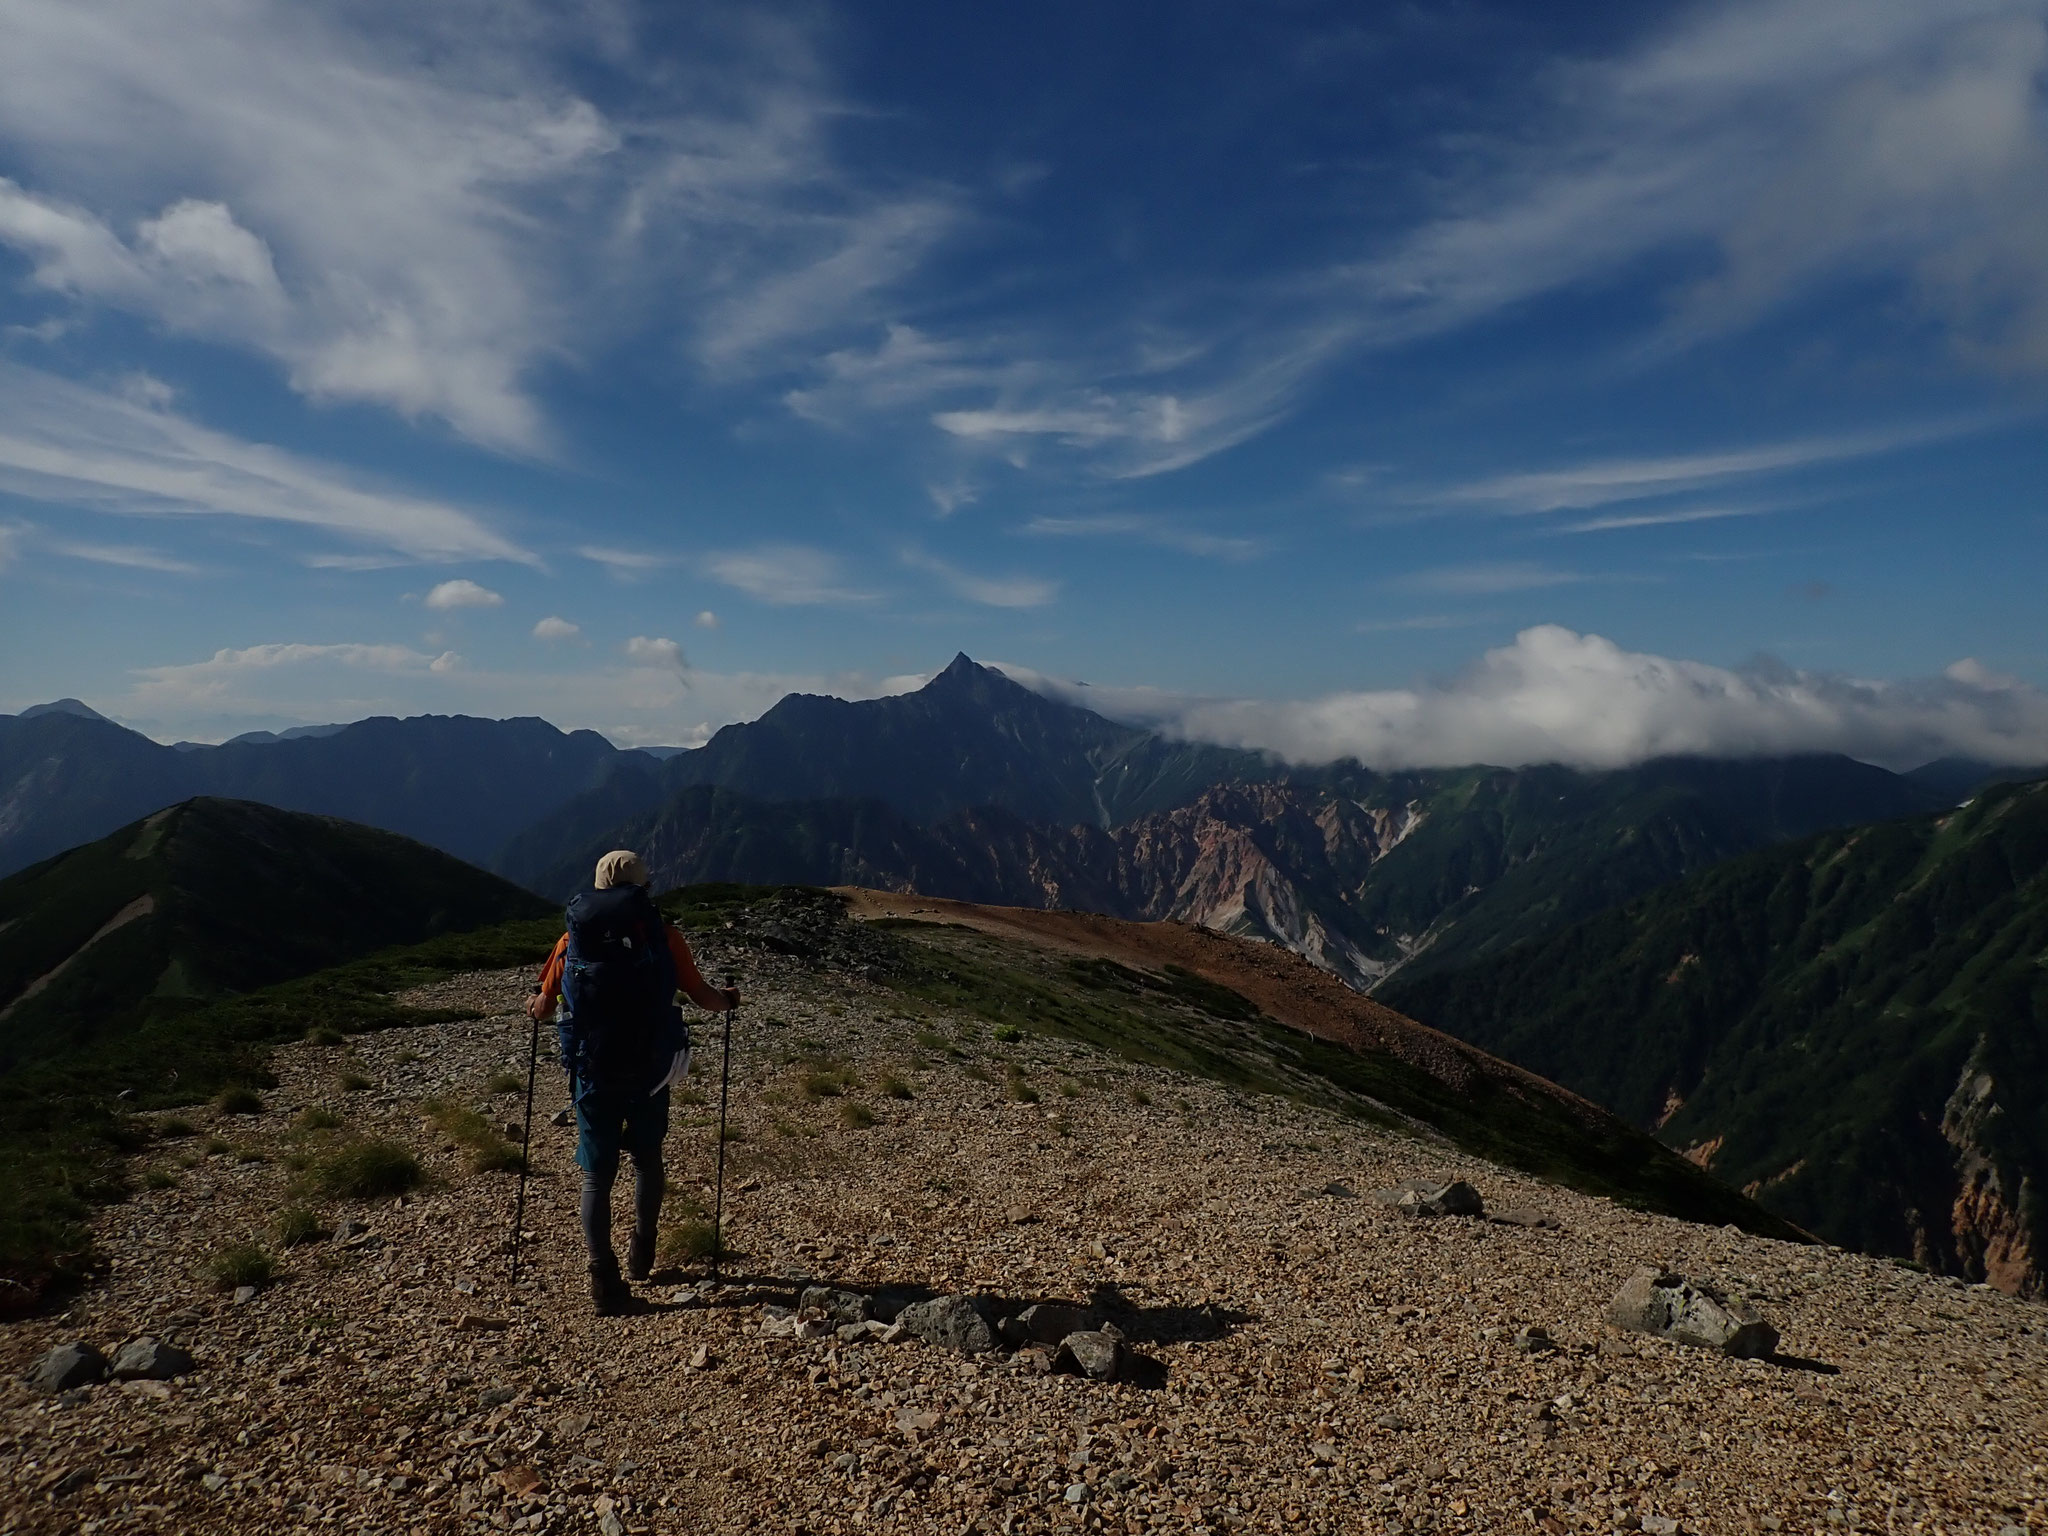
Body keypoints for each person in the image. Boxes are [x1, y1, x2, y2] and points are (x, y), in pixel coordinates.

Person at [528, 849, 738, 1315]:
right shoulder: (664, 938)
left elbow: (543, 1009)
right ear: (643, 889)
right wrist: (729, 999)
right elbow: (702, 997)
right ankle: (643, 1250)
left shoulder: (571, 943)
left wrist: (535, 1003)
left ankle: (603, 1279)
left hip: (593, 1073)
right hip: (650, 1070)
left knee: (596, 1177)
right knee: (647, 1159)